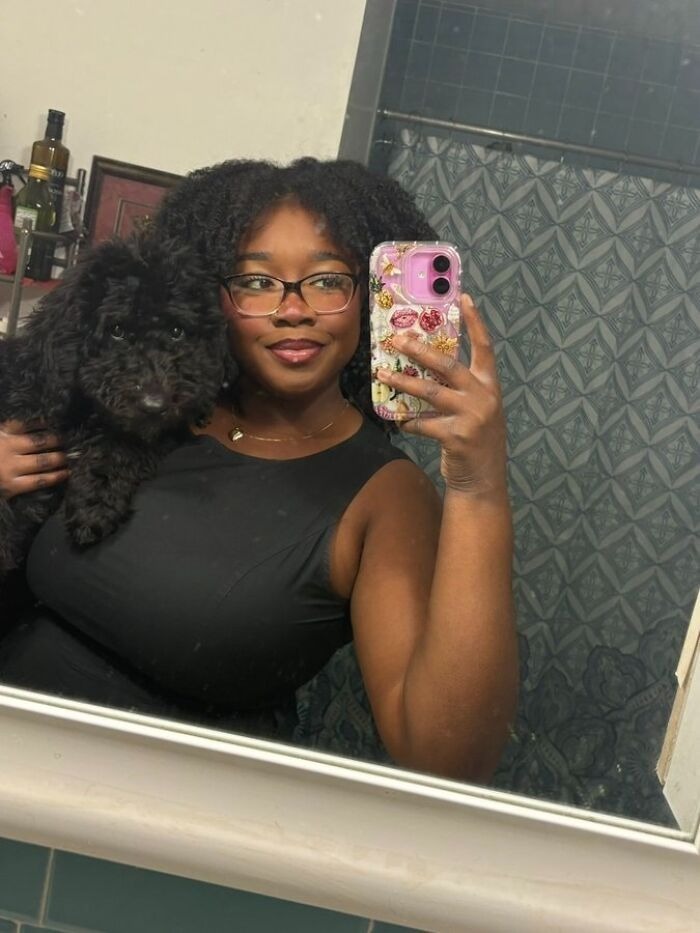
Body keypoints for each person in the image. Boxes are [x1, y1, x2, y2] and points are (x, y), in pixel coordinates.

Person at [0, 158, 517, 782]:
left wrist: (479, 486)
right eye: (257, 280)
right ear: (212, 296)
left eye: (327, 280)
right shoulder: (150, 405)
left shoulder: (386, 496)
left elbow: (446, 756)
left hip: (158, 813)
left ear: (371, 301)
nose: (293, 309)